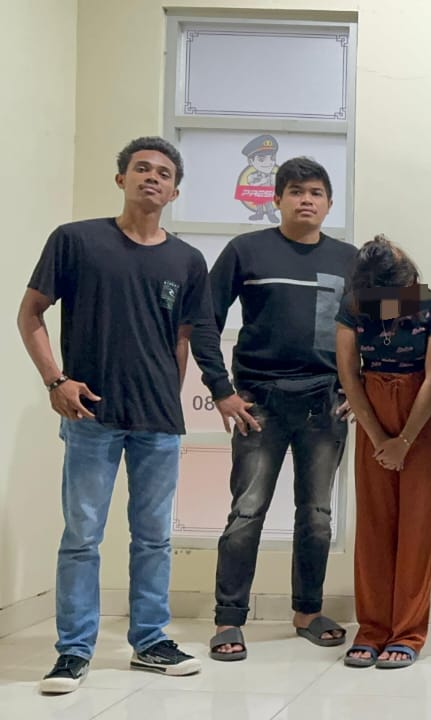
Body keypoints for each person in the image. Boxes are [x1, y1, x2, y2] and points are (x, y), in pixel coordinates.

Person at [18, 136, 254, 694]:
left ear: (175, 192)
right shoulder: (76, 240)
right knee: (82, 536)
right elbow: (30, 313)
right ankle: (73, 651)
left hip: (158, 423)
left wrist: (177, 398)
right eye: (142, 169)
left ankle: (150, 641)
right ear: (121, 179)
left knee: (152, 538)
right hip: (90, 416)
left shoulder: (187, 260)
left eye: (164, 173)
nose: (153, 178)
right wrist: (55, 380)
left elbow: (184, 340)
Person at [207, 157, 358, 661]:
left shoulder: (349, 260)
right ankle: (229, 619)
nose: (305, 200)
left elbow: (382, 326)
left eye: (315, 192)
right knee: (246, 513)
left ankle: (308, 613)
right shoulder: (245, 251)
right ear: (276, 200)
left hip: (324, 405)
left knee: (316, 516)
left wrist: (361, 391)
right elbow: (204, 320)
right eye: (295, 191)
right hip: (259, 404)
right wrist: (221, 389)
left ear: (329, 204)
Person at [335, 235, 431, 670]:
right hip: (372, 410)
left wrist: (403, 441)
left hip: (421, 416)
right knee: (373, 525)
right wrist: (378, 437)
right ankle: (371, 629)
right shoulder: (354, 307)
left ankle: (407, 632)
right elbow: (349, 375)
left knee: (418, 527)